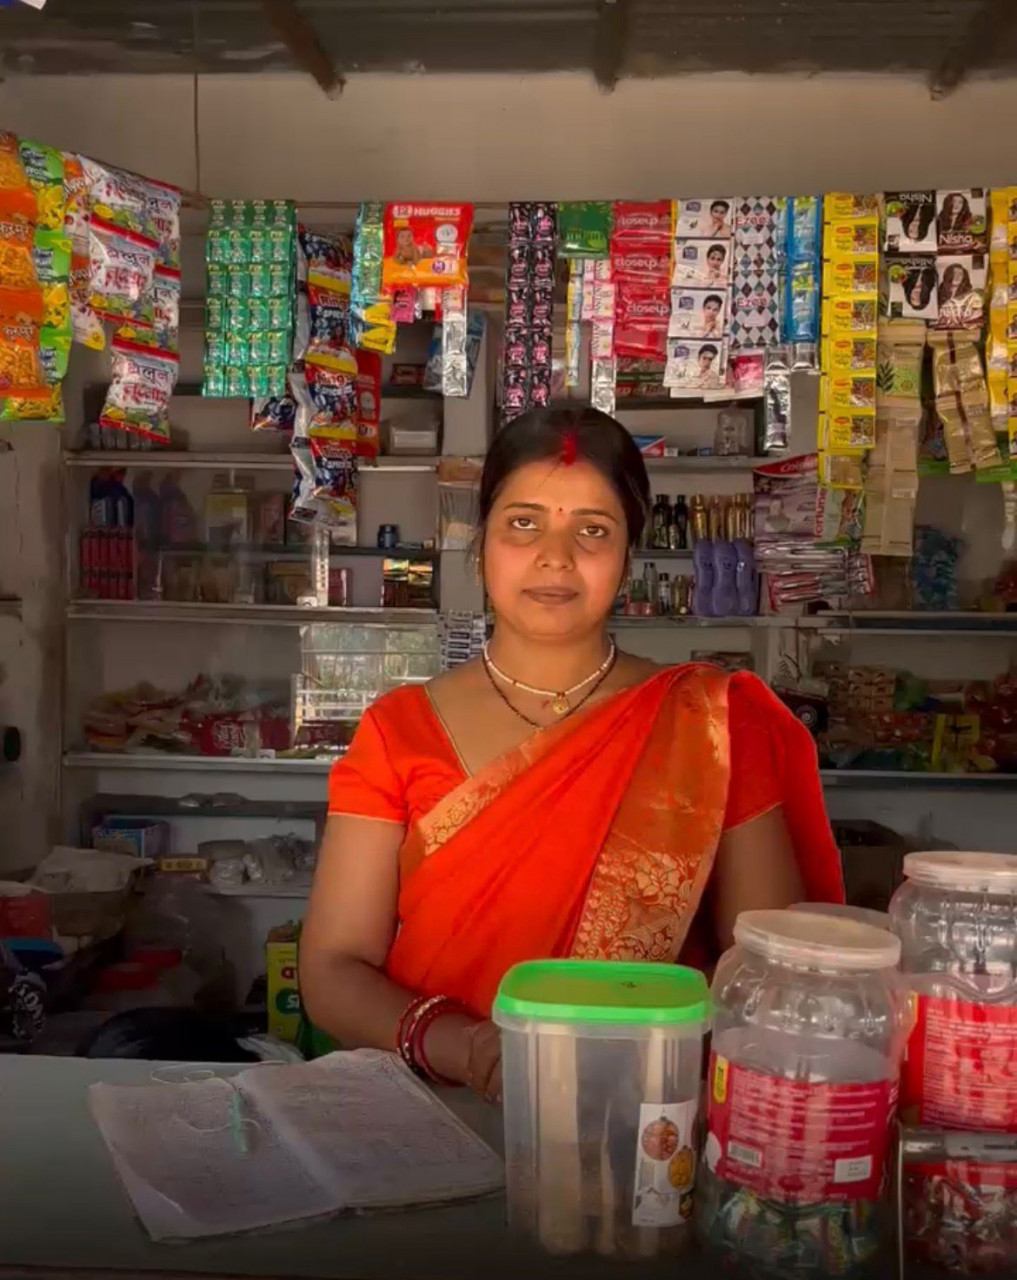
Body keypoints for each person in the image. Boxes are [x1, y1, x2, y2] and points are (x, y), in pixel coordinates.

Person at [300, 408, 845, 1103]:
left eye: (592, 530)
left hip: (644, 1112)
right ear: (482, 543)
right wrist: (466, 1048)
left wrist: (627, 1052)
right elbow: (333, 967)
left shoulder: (711, 721)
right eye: (523, 523)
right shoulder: (397, 730)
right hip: (439, 1109)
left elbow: (767, 968)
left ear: (628, 555)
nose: (555, 555)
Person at [937, 262, 982, 329]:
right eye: (954, 273)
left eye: (960, 274)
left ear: (964, 277)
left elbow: (977, 318)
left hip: (965, 332)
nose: (957, 277)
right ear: (948, 275)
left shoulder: (972, 297)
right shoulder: (938, 296)